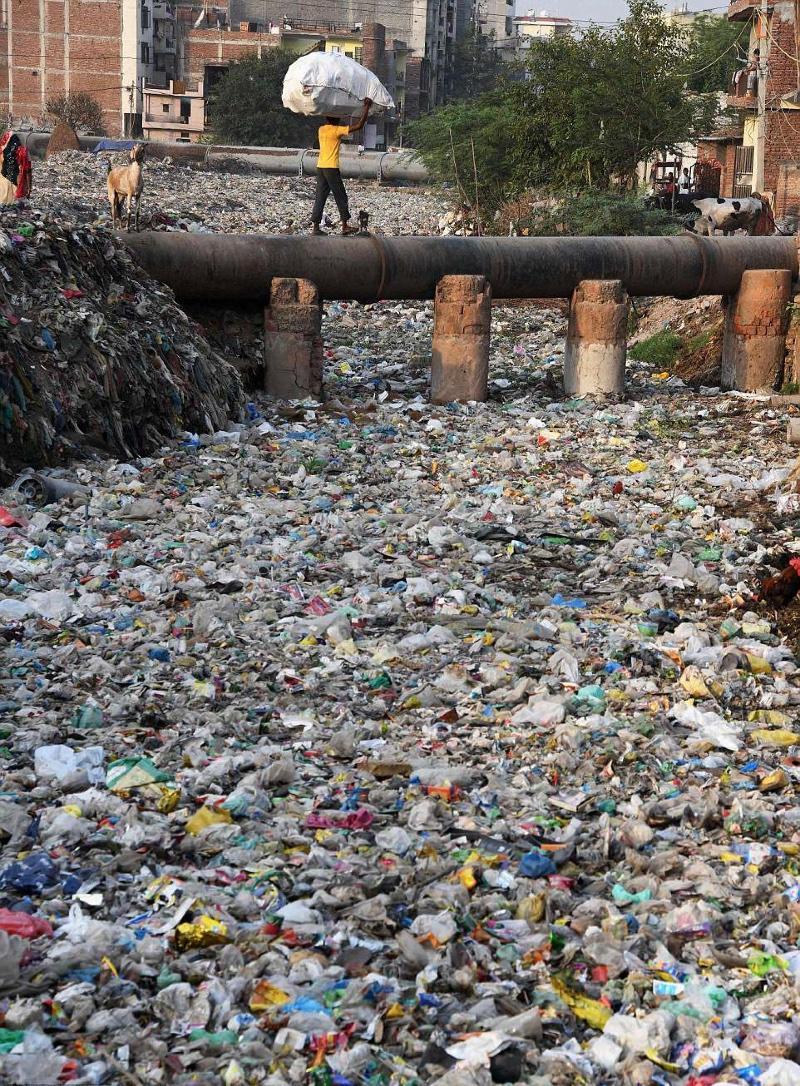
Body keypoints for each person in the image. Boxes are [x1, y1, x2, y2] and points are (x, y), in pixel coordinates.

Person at [311, 98, 372, 236]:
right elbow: (359, 126)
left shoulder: (321, 130)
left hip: (320, 166)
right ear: (337, 120)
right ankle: (344, 225)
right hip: (331, 167)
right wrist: (366, 108)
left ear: (327, 119)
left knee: (320, 196)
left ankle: (315, 227)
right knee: (341, 196)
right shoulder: (336, 130)